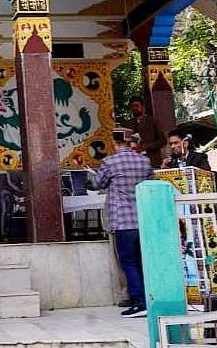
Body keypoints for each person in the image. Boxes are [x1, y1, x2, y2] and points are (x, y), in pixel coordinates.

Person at [90, 127, 154, 316]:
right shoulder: (144, 161)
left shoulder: (110, 162)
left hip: (122, 221)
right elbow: (151, 183)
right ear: (129, 142)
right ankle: (149, 299)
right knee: (143, 261)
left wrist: (94, 175)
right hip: (142, 218)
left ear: (114, 142)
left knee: (128, 262)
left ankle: (138, 301)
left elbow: (98, 184)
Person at [128, 96, 166, 169]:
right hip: (134, 164)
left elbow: (163, 140)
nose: (135, 108)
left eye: (137, 106)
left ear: (143, 107)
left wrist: (147, 146)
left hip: (152, 162)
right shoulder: (127, 124)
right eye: (132, 106)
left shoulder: (153, 121)